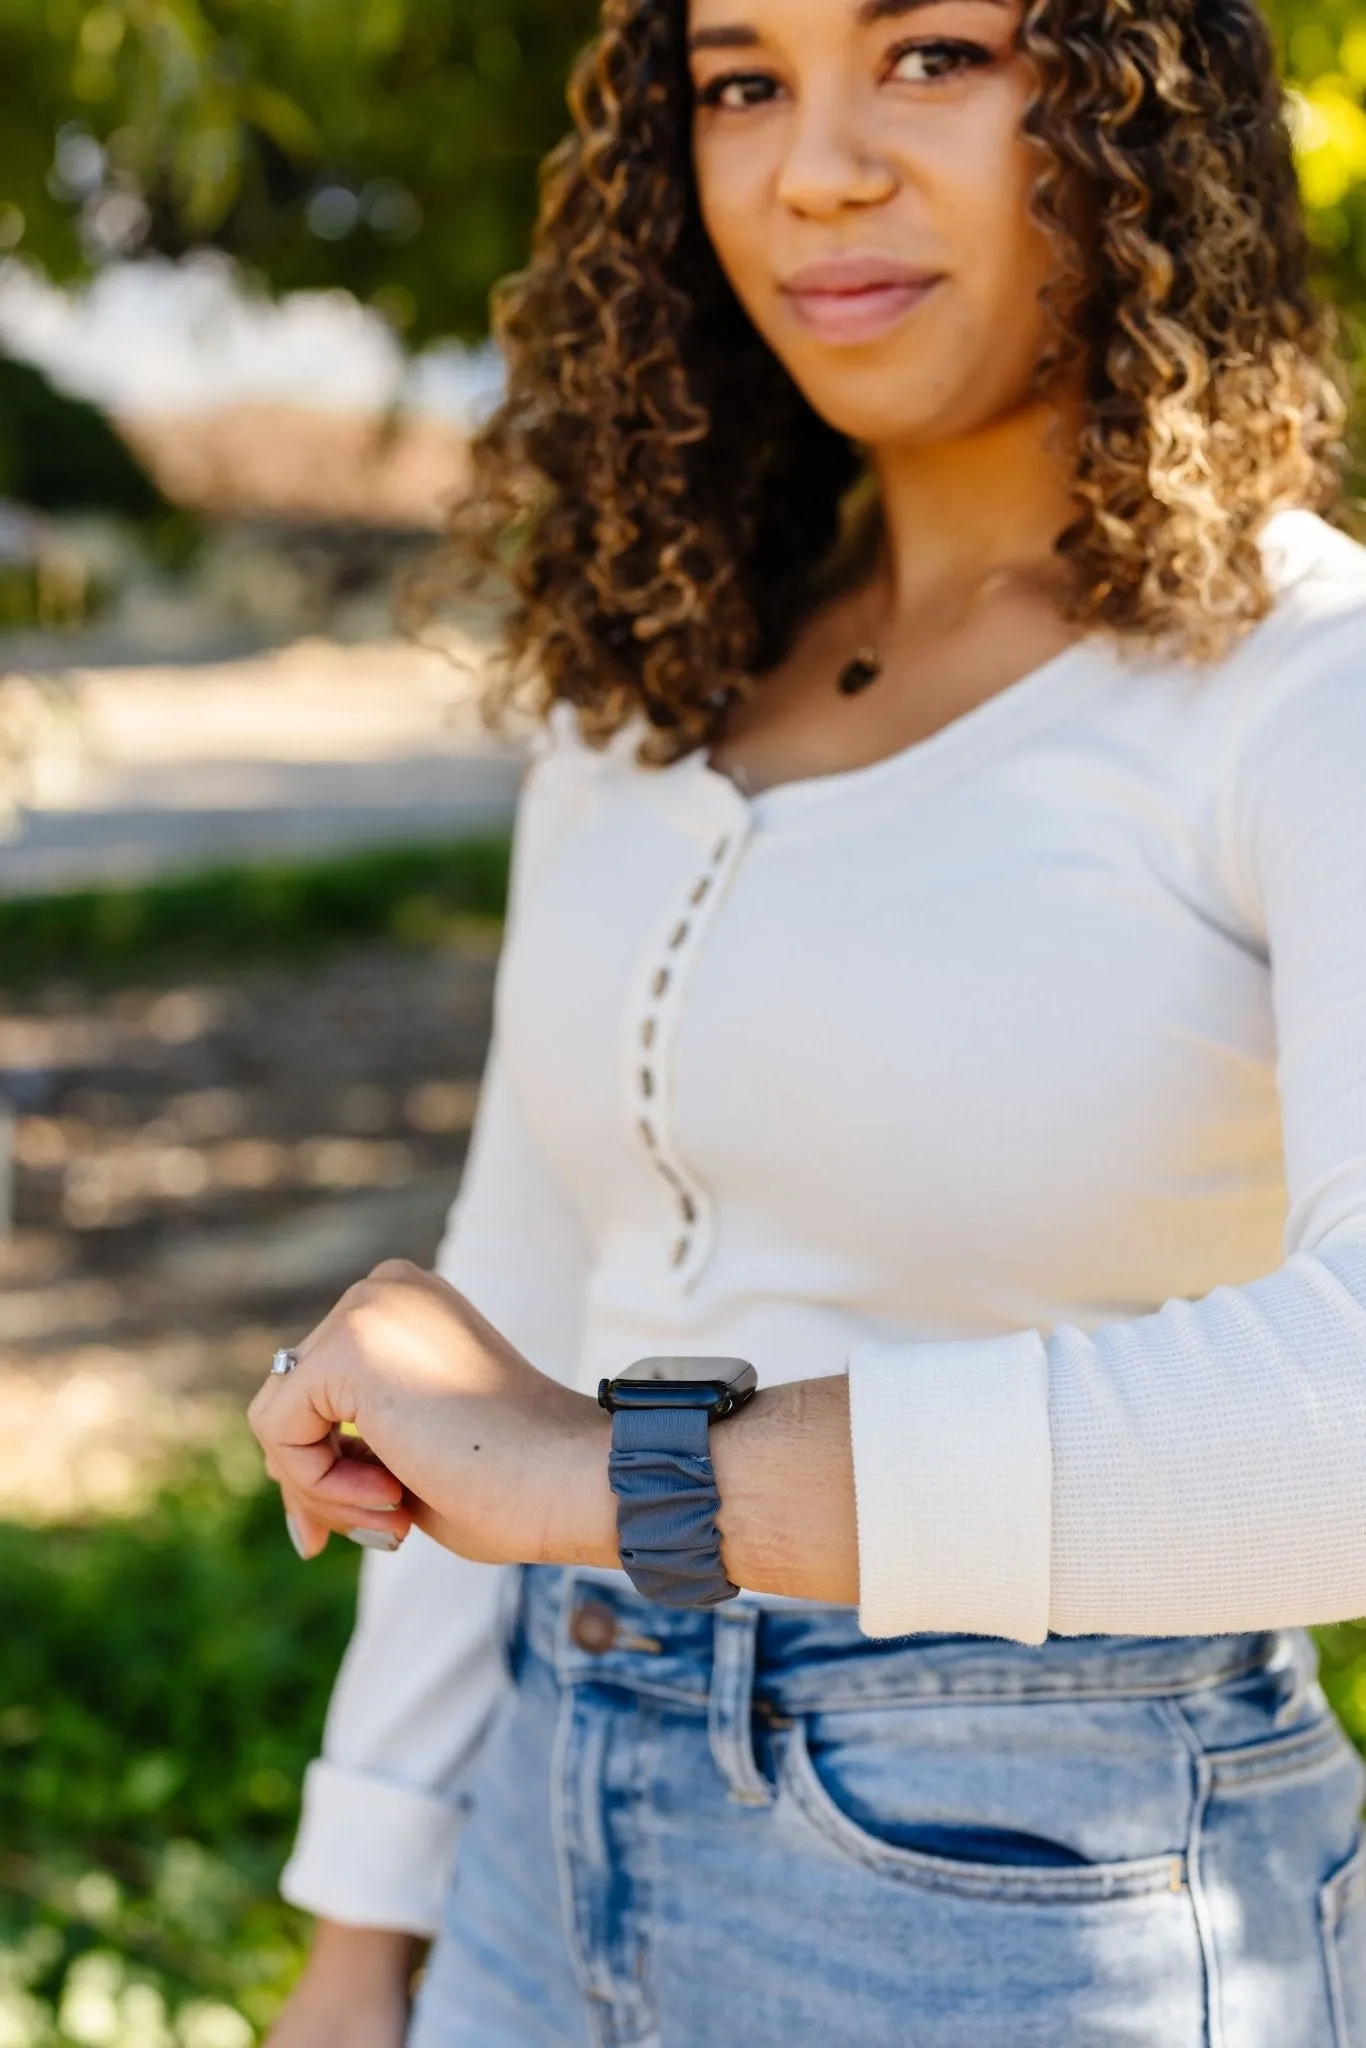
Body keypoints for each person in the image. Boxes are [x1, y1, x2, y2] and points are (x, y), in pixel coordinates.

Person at [252, 0, 1366, 2040]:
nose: (813, 166)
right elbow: (511, 1292)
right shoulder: (642, 705)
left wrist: (623, 1476)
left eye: (930, 53)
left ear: (1130, 108)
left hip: (1034, 1892)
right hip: (532, 1835)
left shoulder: (1304, 689)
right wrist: (362, 1925)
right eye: (739, 79)